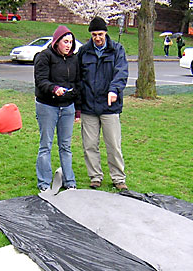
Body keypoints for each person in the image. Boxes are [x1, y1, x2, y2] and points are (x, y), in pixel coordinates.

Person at [77, 16, 128, 191]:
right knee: (90, 145)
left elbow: (121, 73)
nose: (97, 38)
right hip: (88, 107)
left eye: (100, 34)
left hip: (110, 107)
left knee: (113, 144)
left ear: (105, 33)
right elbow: (77, 77)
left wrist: (114, 90)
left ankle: (118, 178)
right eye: (94, 35)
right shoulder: (84, 52)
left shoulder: (117, 50)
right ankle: (95, 176)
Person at [34, 25, 81, 192]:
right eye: (65, 41)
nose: (68, 45)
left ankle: (70, 182)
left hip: (67, 107)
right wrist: (54, 89)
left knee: (65, 146)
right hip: (47, 106)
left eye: (70, 42)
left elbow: (77, 84)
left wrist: (77, 110)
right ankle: (44, 184)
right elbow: (41, 80)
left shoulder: (74, 59)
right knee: (46, 144)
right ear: (57, 42)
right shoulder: (44, 57)